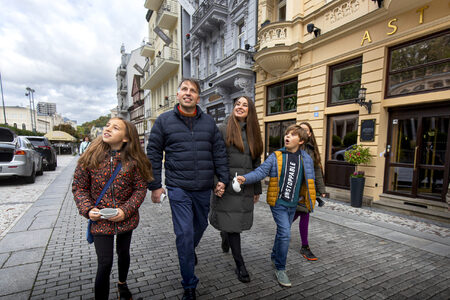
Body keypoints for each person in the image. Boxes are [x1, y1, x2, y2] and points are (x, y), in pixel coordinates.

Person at [146, 78, 229, 300]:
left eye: (193, 91)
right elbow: (153, 153)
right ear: (178, 94)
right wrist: (155, 185)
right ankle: (189, 285)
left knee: (200, 225)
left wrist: (223, 178)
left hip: (203, 188)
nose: (188, 93)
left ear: (198, 97)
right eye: (184, 89)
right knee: (184, 233)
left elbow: (219, 152)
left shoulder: (209, 123)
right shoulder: (164, 121)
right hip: (178, 187)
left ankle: (187, 250)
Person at [73, 117, 153, 300]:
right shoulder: (90, 156)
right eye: (108, 125)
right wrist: (87, 209)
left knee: (123, 253)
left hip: (126, 217)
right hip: (100, 219)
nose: (108, 129)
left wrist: (125, 210)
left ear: (125, 138)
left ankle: (122, 284)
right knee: (105, 262)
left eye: (115, 127)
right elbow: (79, 187)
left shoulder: (134, 161)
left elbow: (140, 189)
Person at [237, 124, 316, 287]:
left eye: (292, 135)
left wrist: (311, 198)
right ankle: (280, 268)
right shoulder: (277, 156)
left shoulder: (306, 159)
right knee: (285, 233)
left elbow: (310, 181)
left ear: (301, 141)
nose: (287, 136)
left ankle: (274, 254)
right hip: (278, 203)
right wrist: (245, 178)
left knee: (282, 233)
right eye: (287, 134)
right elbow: (260, 172)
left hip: (293, 204)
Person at [209, 96, 263, 283]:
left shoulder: (254, 133)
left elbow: (257, 164)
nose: (240, 107)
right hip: (226, 186)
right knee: (233, 228)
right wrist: (216, 182)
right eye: (237, 104)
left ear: (250, 110)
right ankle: (240, 265)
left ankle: (225, 235)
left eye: (245, 105)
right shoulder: (222, 129)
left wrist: (256, 188)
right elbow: (213, 159)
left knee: (233, 226)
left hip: (245, 186)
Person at [293, 122, 327, 261]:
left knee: (304, 214)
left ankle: (305, 246)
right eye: (300, 129)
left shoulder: (313, 150)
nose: (303, 132)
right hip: (295, 189)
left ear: (310, 134)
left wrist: (321, 189)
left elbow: (317, 170)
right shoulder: (293, 147)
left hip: (308, 190)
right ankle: (283, 238)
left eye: (305, 130)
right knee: (293, 216)